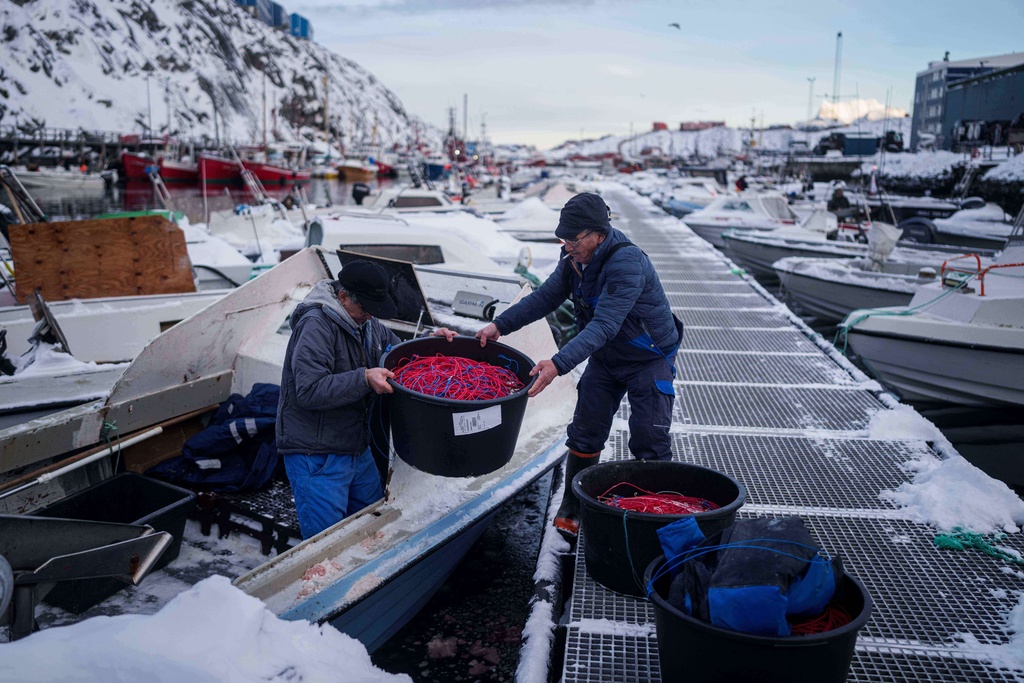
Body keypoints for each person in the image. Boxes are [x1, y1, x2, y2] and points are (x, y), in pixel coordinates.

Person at [476, 192, 683, 539]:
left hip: (648, 356)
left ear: (598, 234)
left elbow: (604, 325)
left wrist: (558, 363)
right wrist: (500, 325)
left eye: (573, 239)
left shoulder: (626, 262)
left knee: (650, 437)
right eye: (563, 238)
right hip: (607, 355)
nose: (567, 244)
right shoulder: (573, 258)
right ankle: (573, 504)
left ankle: (653, 517)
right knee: (586, 427)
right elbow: (545, 298)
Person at [276, 259, 455, 538]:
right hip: (316, 455)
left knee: (374, 522)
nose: (371, 315)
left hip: (356, 448)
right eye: (366, 308)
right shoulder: (316, 325)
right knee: (327, 544)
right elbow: (308, 391)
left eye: (375, 309)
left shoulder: (366, 322)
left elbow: (398, 351)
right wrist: (363, 378)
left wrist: (430, 340)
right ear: (343, 296)